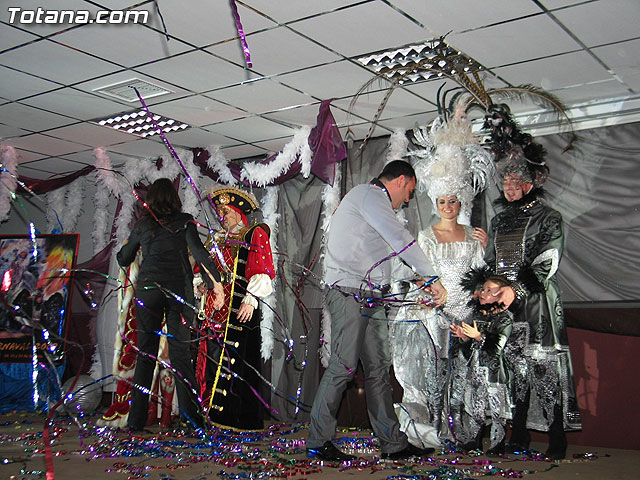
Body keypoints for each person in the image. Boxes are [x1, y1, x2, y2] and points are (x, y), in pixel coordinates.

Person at [306, 160, 447, 462]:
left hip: (371, 295)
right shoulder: (369, 195)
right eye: (409, 191)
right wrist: (431, 276)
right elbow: (400, 239)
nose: (407, 198)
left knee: (378, 370)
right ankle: (318, 441)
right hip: (349, 293)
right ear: (400, 180)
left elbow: (387, 258)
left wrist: (417, 278)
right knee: (343, 366)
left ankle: (392, 443)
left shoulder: (374, 205)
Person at [389, 114, 492, 447]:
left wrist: (486, 250)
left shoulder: (473, 236)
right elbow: (418, 272)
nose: (448, 206)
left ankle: (462, 432)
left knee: (464, 375)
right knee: (433, 374)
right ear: (436, 203)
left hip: (465, 315)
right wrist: (429, 296)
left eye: (453, 201)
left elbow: (480, 275)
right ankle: (432, 431)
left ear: (461, 202)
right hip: (435, 314)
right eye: (443, 201)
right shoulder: (426, 235)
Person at [481, 139, 582, 460]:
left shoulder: (549, 217)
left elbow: (548, 260)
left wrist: (516, 290)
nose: (510, 187)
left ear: (531, 183)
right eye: (506, 182)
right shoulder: (498, 221)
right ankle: (519, 434)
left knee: (543, 367)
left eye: (517, 181)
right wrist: (489, 292)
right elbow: (492, 262)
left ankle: (557, 436)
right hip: (504, 307)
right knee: (513, 368)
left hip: (537, 304)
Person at [116, 178, 224, 432]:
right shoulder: (185, 221)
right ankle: (194, 422)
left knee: (146, 355)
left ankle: (135, 422)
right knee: (180, 357)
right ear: (175, 200)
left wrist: (128, 249)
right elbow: (200, 253)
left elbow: (124, 258)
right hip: (179, 292)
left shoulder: (142, 225)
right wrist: (216, 283)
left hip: (149, 292)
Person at [194, 186, 275, 430]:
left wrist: (251, 298)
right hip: (213, 310)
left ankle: (232, 418)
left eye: (226, 211)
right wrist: (201, 284)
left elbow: (261, 268)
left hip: (238, 310)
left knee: (236, 365)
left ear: (239, 213)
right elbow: (203, 269)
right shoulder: (215, 238)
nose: (222, 216)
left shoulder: (253, 233)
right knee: (210, 360)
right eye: (220, 212)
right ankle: (208, 413)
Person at [449, 275, 513, 455]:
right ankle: (474, 440)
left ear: (500, 295)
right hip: (476, 371)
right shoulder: (477, 316)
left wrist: (478, 336)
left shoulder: (505, 319)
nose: (483, 293)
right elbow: (469, 348)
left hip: (494, 373)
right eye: (483, 289)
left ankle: (497, 443)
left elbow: (497, 347)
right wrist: (464, 338)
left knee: (496, 409)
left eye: (489, 291)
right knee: (476, 406)